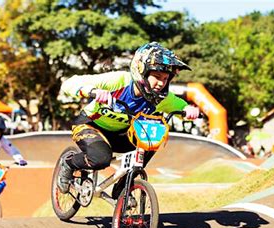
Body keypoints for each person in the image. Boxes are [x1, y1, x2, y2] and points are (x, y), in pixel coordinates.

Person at [59, 41, 199, 194]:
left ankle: (124, 187)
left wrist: (188, 110)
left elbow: (180, 106)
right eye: (157, 76)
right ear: (141, 71)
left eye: (166, 79)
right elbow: (70, 83)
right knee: (100, 159)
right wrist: (92, 91)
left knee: (152, 138)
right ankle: (69, 164)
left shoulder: (161, 98)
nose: (161, 83)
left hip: (121, 135)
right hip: (90, 125)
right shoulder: (119, 81)